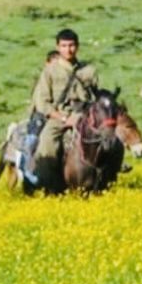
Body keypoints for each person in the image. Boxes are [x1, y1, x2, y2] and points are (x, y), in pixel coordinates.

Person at [31, 29, 99, 187]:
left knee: (109, 138)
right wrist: (64, 118)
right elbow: (43, 102)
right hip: (59, 118)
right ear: (58, 47)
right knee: (47, 144)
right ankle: (47, 183)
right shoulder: (49, 71)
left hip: (85, 117)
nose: (68, 50)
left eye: (72, 45)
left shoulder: (89, 71)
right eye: (64, 46)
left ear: (78, 46)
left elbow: (96, 98)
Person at [17, 50, 61, 184]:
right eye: (53, 64)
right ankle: (28, 171)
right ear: (47, 63)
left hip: (60, 116)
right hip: (41, 116)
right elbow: (39, 102)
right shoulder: (42, 80)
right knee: (31, 142)